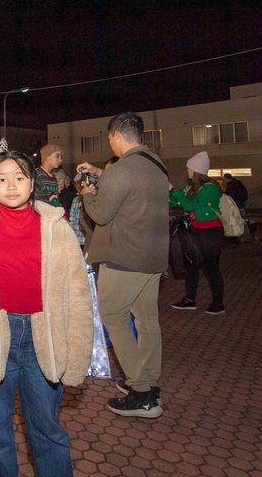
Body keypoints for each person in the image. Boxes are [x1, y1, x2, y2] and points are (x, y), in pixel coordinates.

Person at [0, 150, 93, 477]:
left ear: (33, 182)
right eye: (2, 178)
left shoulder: (56, 226)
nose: (11, 185)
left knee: (47, 430)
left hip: (44, 337)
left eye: (19, 177)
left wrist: (78, 354)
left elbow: (78, 292)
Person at [77, 112, 168, 418]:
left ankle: (140, 391)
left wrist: (87, 194)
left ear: (115, 135)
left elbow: (101, 214)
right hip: (153, 257)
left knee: (113, 316)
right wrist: (102, 176)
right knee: (146, 320)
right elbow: (131, 188)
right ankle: (149, 382)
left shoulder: (123, 168)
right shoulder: (155, 165)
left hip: (125, 258)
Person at [169, 152, 226, 315]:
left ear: (196, 170)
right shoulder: (191, 187)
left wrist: (173, 190)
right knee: (191, 265)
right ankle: (190, 300)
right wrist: (169, 194)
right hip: (195, 230)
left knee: (211, 268)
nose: (187, 170)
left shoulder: (211, 189)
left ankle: (218, 303)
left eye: (189, 168)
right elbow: (177, 201)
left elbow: (190, 205)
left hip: (210, 232)